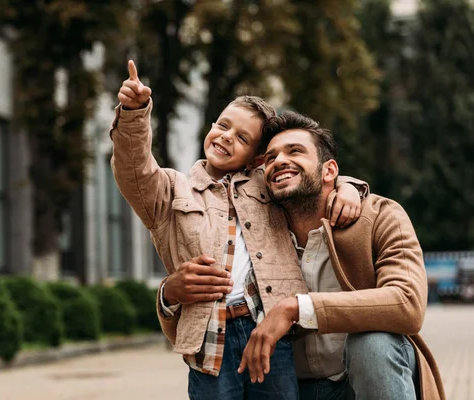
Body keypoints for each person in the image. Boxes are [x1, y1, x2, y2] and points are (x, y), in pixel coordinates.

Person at [111, 60, 365, 400]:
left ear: (256, 159)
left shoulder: (268, 186)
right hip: (210, 337)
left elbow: (312, 180)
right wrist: (134, 112)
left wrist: (349, 187)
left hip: (269, 331)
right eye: (223, 125)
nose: (226, 137)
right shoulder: (172, 189)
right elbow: (133, 168)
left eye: (242, 137)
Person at [237, 111, 446, 400]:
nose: (279, 161)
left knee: (373, 344)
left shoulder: (380, 216)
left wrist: (297, 308)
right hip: (290, 389)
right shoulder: (252, 236)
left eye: (295, 151)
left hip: (361, 383)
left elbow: (407, 303)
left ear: (329, 171)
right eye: (270, 158)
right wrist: (169, 297)